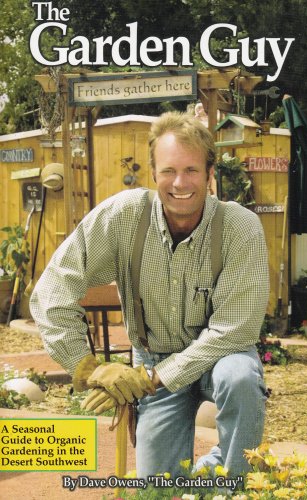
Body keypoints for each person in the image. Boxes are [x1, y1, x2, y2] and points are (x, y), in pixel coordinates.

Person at [30, 111, 269, 480]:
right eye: (168, 171)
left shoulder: (239, 226)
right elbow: (52, 290)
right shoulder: (124, 215)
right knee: (157, 485)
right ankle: (206, 471)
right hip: (152, 357)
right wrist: (88, 367)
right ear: (154, 174)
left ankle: (234, 481)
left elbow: (235, 331)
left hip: (217, 358)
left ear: (209, 176)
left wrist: (155, 378)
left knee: (239, 376)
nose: (179, 183)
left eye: (191, 171)